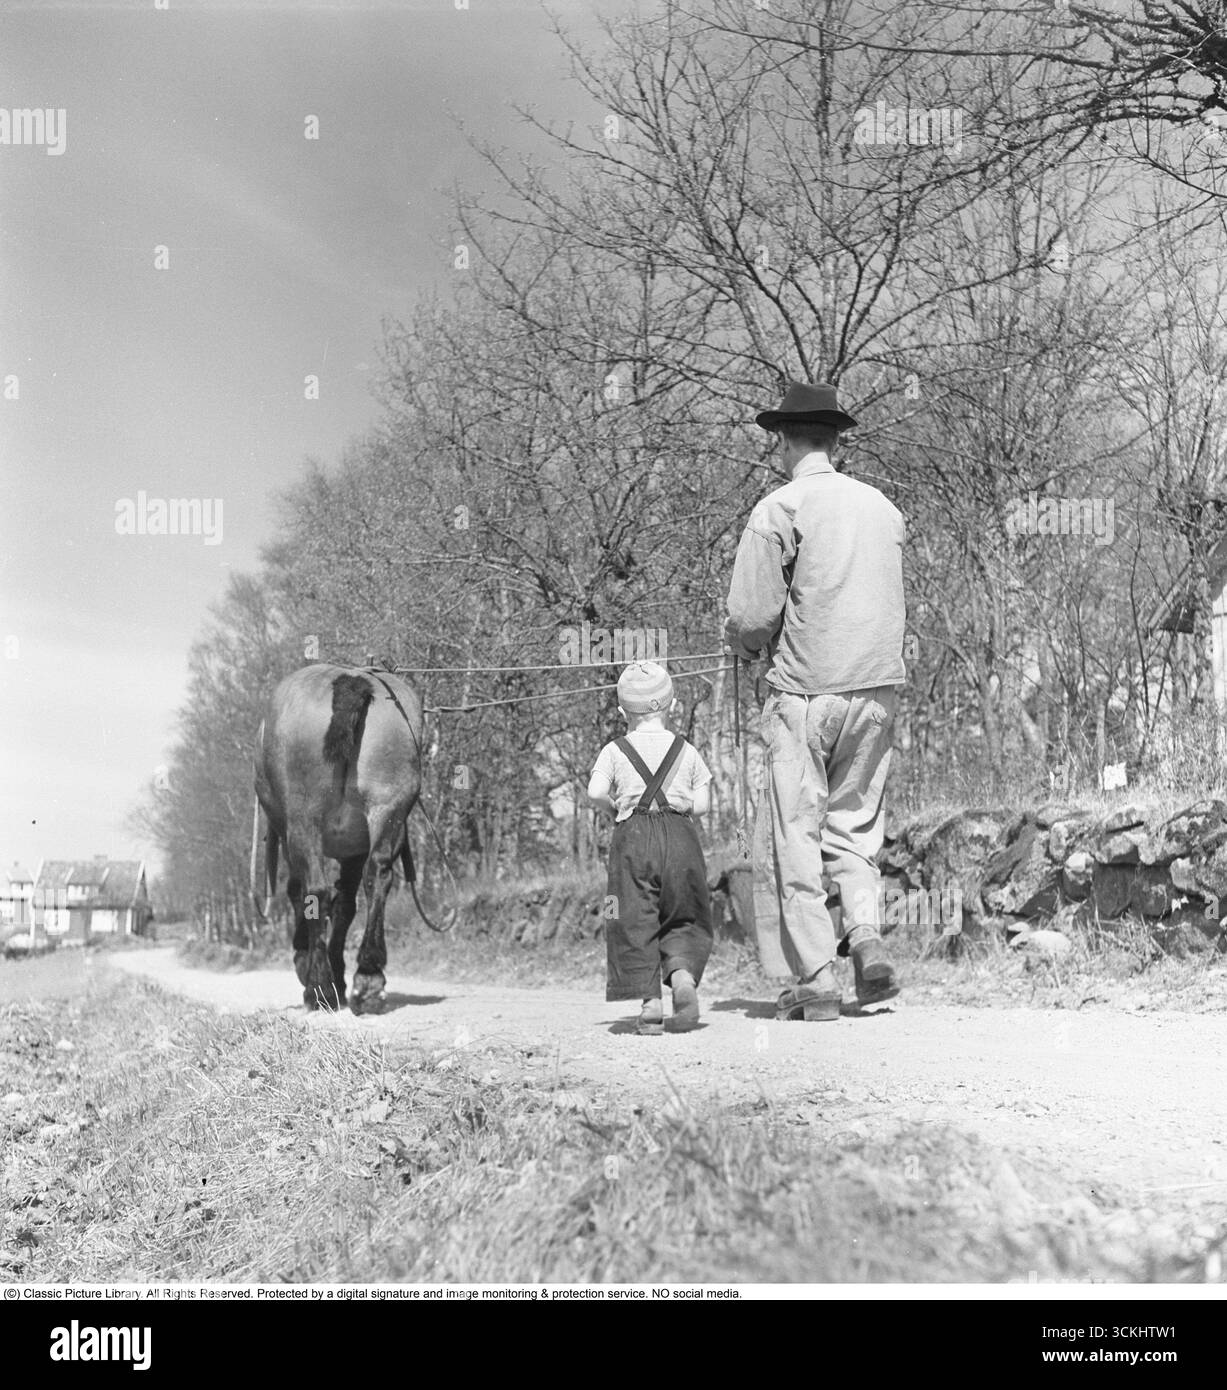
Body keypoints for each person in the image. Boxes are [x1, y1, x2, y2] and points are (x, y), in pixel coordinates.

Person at [724, 381, 906, 1021]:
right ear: (835, 438)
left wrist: (744, 647)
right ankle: (866, 938)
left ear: (782, 440)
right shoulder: (883, 508)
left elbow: (751, 615)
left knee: (795, 833)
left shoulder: (779, 507)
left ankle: (817, 976)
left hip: (804, 693)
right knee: (854, 833)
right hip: (878, 691)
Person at [587, 661, 714, 1034]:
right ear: (672, 706)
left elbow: (595, 791)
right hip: (680, 837)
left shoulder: (615, 749)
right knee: (685, 912)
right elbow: (703, 804)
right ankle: (682, 979)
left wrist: (615, 809)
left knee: (633, 917)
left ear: (622, 711)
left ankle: (651, 1005)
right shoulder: (686, 749)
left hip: (633, 838)